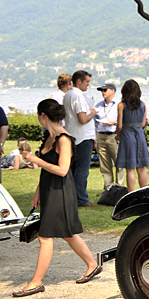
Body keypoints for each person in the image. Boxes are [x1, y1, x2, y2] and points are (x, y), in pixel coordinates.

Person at [12, 99, 101, 298]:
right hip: (49, 188)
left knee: (46, 236)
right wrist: (38, 190)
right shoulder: (48, 137)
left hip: (61, 190)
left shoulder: (63, 138)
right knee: (67, 233)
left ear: (43, 115)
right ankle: (93, 264)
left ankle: (36, 282)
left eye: (38, 115)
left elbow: (62, 170)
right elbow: (47, 169)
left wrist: (36, 160)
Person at [63, 70, 97, 206]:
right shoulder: (77, 96)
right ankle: (82, 199)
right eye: (87, 81)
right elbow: (83, 119)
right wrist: (93, 113)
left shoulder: (67, 94)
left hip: (72, 135)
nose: (88, 84)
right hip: (83, 137)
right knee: (82, 170)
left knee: (72, 169)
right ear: (79, 81)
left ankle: (71, 197)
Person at [115, 79, 149, 192]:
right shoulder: (143, 104)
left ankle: (131, 194)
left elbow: (120, 125)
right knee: (141, 168)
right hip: (139, 135)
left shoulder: (121, 105)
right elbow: (143, 123)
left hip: (127, 135)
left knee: (130, 169)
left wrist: (117, 135)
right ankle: (143, 193)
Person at [94, 82, 125, 191]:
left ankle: (119, 188)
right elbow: (94, 122)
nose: (103, 92)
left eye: (105, 90)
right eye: (101, 90)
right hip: (101, 136)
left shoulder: (119, 105)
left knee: (119, 163)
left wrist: (115, 122)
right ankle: (108, 189)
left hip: (114, 135)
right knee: (104, 164)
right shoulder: (97, 105)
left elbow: (124, 121)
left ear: (113, 91)